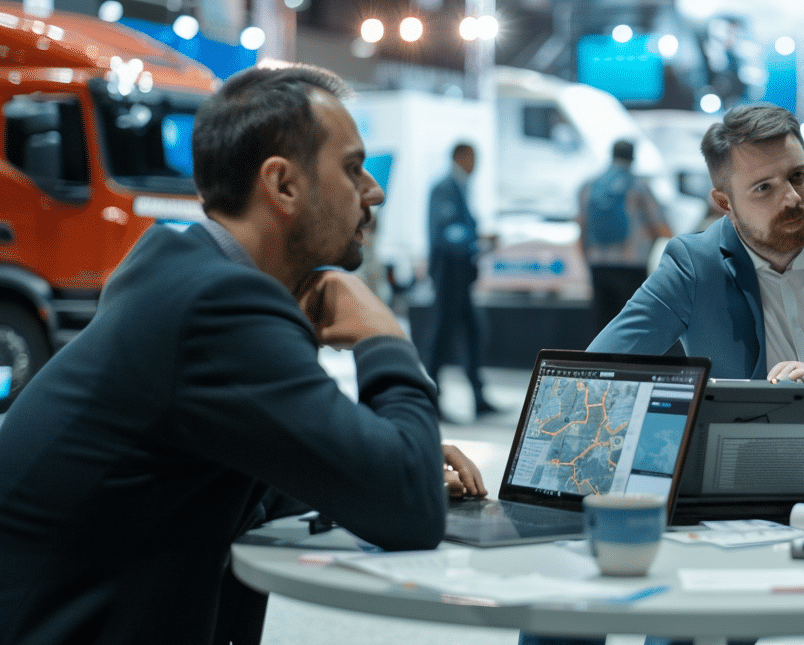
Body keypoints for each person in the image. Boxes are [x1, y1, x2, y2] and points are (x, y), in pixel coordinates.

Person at [0, 64, 483, 645]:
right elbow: (407, 511)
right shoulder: (219, 304)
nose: (373, 191)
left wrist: (369, 459)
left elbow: (235, 462)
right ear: (281, 186)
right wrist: (384, 339)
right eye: (353, 169)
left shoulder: (174, 266)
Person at [589, 104, 804, 480]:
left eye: (798, 176)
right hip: (741, 479)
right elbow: (595, 378)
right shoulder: (694, 264)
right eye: (763, 188)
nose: (791, 198)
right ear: (726, 203)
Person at [425, 142, 494, 416]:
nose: (475, 165)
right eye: (473, 158)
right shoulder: (445, 187)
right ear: (460, 156)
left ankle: (477, 397)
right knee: (442, 337)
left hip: (460, 276)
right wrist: (476, 238)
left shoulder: (458, 186)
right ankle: (432, 398)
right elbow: (446, 234)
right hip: (449, 275)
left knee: (473, 333)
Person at [578, 139, 673, 331]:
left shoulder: (590, 185)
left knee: (602, 325)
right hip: (632, 265)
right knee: (630, 324)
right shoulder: (638, 186)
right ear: (633, 158)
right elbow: (660, 225)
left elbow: (582, 227)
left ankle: (600, 360)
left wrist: (587, 260)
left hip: (598, 264)